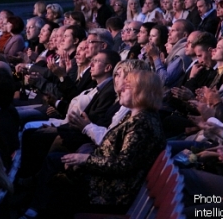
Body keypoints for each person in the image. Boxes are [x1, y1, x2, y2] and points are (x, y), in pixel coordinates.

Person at [22, 70, 166, 218]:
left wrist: (85, 160)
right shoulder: (137, 116)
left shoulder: (142, 122)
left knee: (58, 179)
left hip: (111, 191)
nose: (120, 88)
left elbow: (123, 164)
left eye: (127, 86)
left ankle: (33, 211)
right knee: (56, 161)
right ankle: (32, 207)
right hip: (106, 178)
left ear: (142, 91)